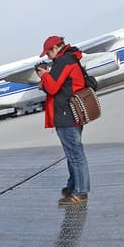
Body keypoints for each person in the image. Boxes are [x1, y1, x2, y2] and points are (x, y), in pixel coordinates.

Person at [37, 36, 89, 206]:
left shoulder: (63, 61)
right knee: (72, 154)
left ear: (55, 48)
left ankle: (80, 192)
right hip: (72, 112)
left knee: (75, 154)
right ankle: (72, 186)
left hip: (67, 114)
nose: (49, 57)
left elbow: (53, 87)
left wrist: (44, 76)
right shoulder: (71, 58)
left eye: (49, 53)